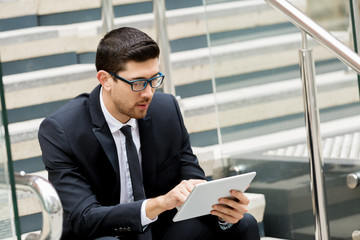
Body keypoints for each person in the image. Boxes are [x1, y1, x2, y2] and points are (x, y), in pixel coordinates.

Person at [38, 27, 260, 240]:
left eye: (154, 80)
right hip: (101, 233)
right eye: (138, 83)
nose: (149, 93)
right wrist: (160, 203)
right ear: (105, 80)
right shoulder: (61, 130)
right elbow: (85, 218)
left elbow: (192, 180)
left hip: (158, 228)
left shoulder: (166, 110)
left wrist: (224, 211)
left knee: (242, 225)